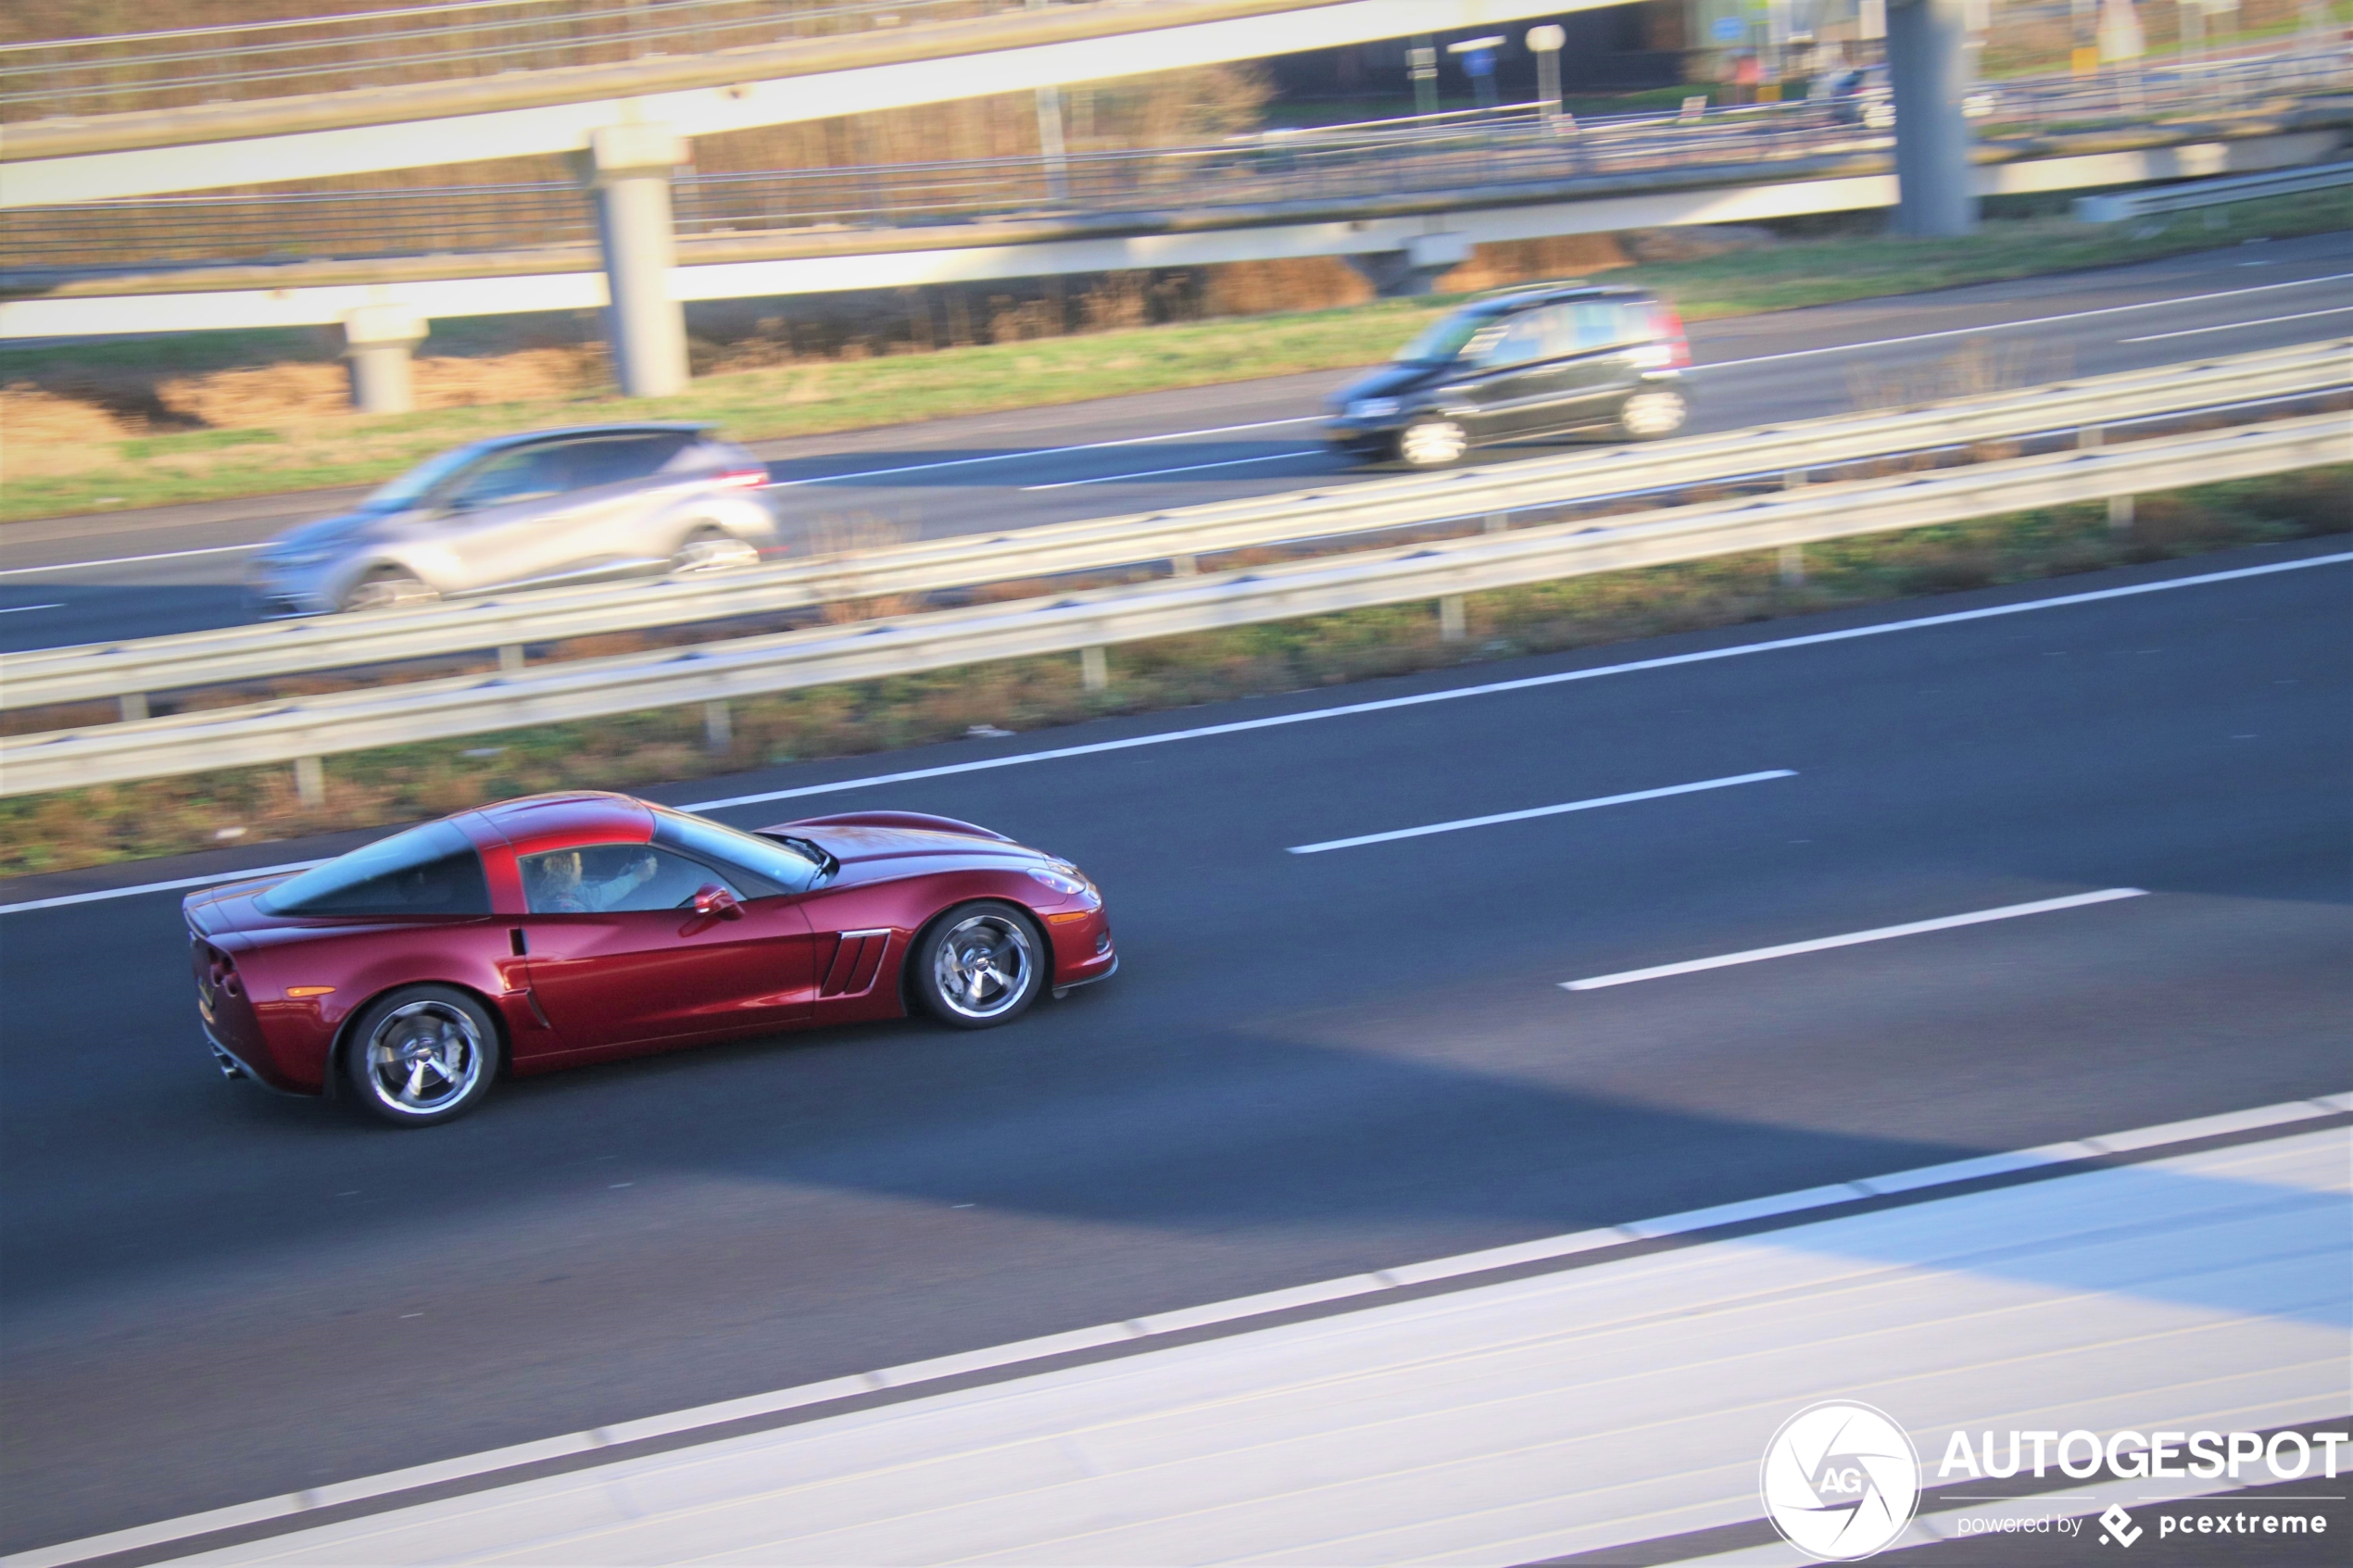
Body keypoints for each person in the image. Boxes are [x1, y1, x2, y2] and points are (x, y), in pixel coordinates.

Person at [528, 848, 659, 913]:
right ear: (566, 873)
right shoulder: (566, 906)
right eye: (578, 865)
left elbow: (590, 888)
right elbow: (596, 897)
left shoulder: (560, 890)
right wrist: (637, 877)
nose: (581, 868)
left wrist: (620, 878)